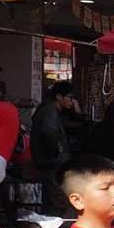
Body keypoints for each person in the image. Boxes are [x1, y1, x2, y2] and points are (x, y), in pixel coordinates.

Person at [32, 81, 77, 215]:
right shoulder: (49, 111)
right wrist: (58, 151)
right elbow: (48, 132)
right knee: (56, 201)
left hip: (50, 162)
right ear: (59, 96)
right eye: (69, 97)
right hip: (51, 163)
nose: (72, 101)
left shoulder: (48, 110)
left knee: (53, 200)